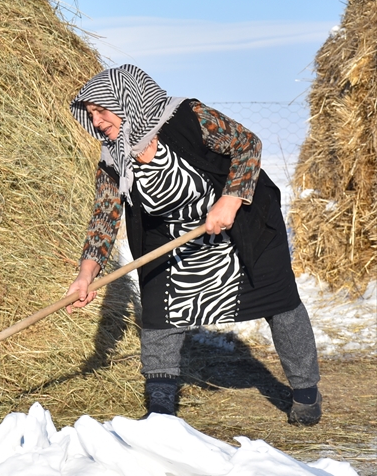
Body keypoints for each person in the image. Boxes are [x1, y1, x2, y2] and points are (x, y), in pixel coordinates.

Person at [65, 64, 321, 425]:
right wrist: (86, 274)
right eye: (90, 114)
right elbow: (105, 217)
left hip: (241, 222)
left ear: (125, 100)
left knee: (278, 301)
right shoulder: (113, 160)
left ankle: (306, 393)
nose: (96, 121)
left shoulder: (187, 116)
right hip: (173, 237)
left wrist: (230, 200)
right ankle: (161, 409)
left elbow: (248, 144)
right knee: (160, 310)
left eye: (101, 110)